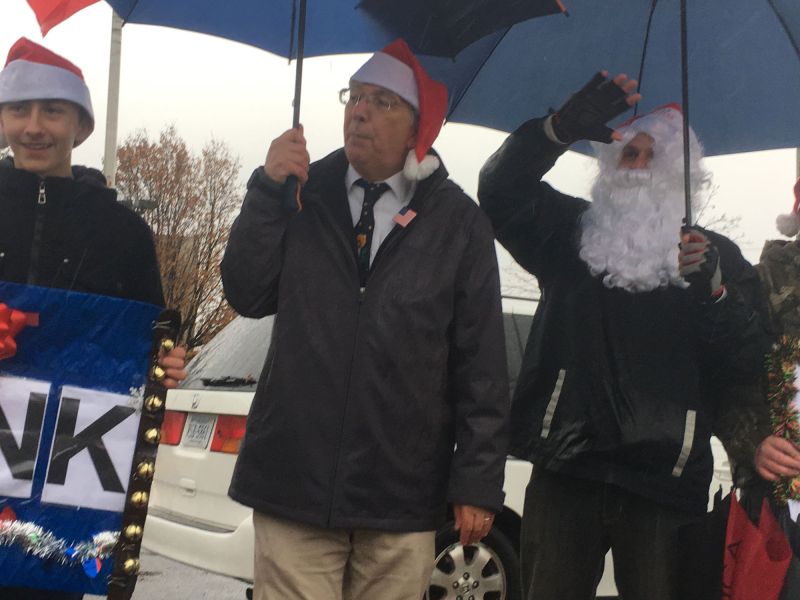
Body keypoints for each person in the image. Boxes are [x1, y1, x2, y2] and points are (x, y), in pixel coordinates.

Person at [478, 71, 793, 600]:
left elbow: (747, 361)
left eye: (654, 156)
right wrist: (555, 131)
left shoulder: (716, 256)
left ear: (679, 174)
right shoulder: (569, 232)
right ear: (610, 164)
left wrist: (715, 293)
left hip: (666, 480)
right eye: (629, 153)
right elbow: (499, 190)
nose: (639, 164)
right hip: (568, 468)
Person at [221, 39, 509, 600]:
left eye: (382, 101)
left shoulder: (459, 224)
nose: (359, 112)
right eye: (354, 97)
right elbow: (246, 293)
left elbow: (482, 365)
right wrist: (266, 189)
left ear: (418, 127)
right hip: (294, 482)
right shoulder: (301, 192)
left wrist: (477, 482)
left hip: (400, 496)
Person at [0, 37, 186, 600]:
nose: (35, 127)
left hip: (65, 488)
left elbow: (147, 340)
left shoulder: (124, 232)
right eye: (19, 109)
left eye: (53, 111)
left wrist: (163, 362)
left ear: (81, 126)